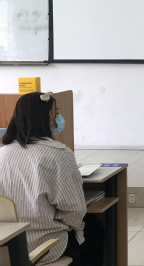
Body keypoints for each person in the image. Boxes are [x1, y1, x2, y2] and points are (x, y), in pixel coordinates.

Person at [0, 92, 103, 266]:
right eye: (56, 113)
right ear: (45, 118)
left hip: (7, 247)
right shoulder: (59, 154)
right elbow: (74, 211)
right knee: (95, 229)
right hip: (44, 245)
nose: (58, 118)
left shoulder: (2, 152)